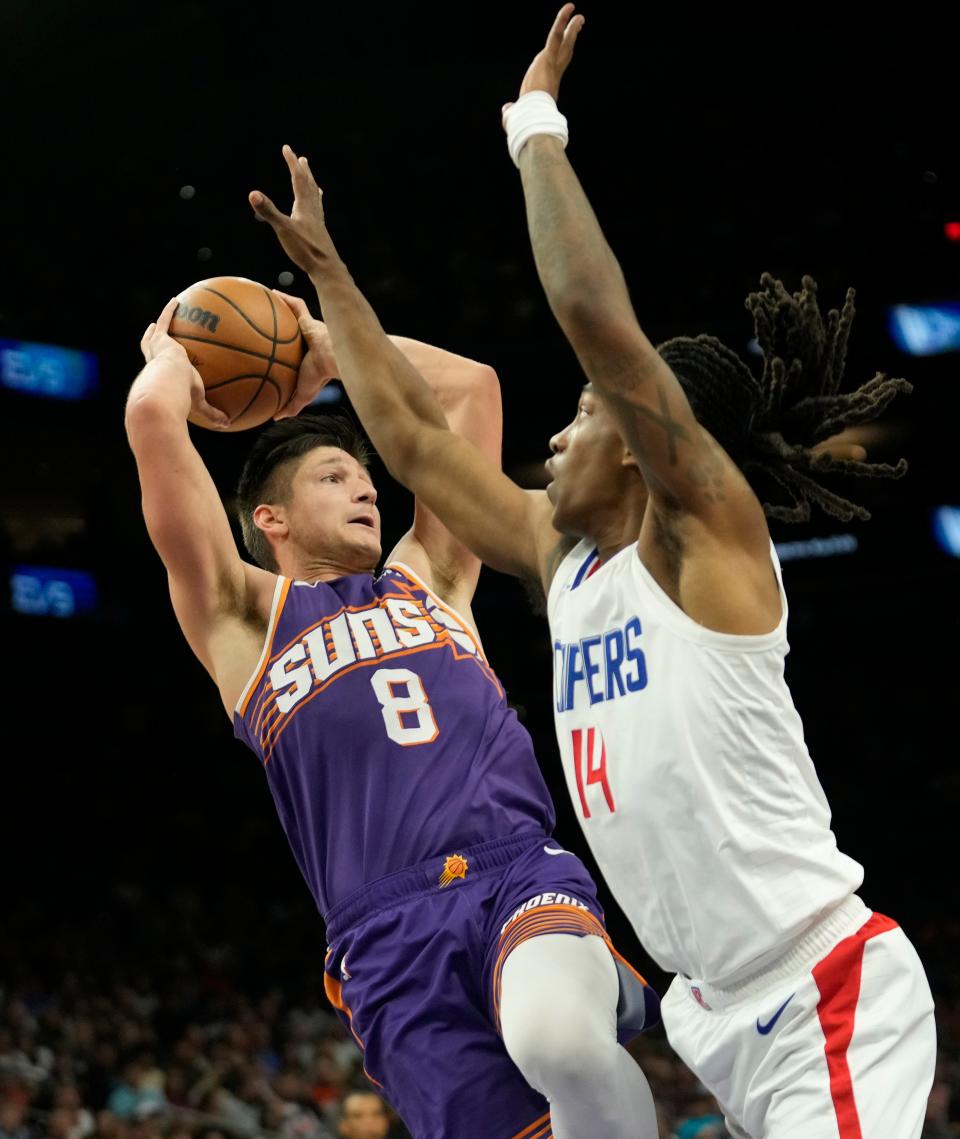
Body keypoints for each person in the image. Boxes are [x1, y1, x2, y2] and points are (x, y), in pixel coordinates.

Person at [246, 10, 937, 1137]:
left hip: (820, 984)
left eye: (579, 418)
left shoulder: (707, 545)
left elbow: (593, 317)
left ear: (638, 441)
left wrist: (534, 129)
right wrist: (329, 286)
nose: (556, 442)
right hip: (710, 1010)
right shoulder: (566, 566)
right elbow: (418, 444)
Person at [125, 232, 659, 1138]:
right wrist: (173, 357)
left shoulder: (432, 575)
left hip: (511, 870)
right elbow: (151, 421)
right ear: (272, 519)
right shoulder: (240, 621)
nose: (367, 490)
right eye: (337, 476)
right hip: (385, 942)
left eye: (368, 476)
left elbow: (469, 390)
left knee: (561, 1042)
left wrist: (326, 353)